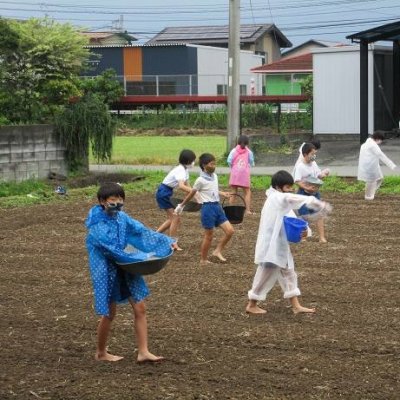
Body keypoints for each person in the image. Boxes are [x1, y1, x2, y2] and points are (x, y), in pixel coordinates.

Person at [86, 182, 175, 363]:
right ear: (103, 201)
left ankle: (143, 352)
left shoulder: (121, 217)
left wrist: (167, 241)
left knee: (140, 308)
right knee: (110, 314)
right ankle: (101, 352)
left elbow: (140, 231)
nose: (118, 202)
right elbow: (111, 249)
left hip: (127, 265)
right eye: (113, 199)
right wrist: (142, 256)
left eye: (121, 198)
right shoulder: (97, 225)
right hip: (108, 269)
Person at [246, 170, 331, 315]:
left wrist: (306, 230)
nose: (290, 190)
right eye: (287, 187)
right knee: (266, 274)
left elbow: (291, 216)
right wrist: (314, 202)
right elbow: (290, 199)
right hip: (271, 246)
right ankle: (252, 304)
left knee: (289, 273)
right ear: (279, 187)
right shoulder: (276, 198)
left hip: (278, 244)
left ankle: (296, 305)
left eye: (291, 187)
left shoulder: (279, 200)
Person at [175, 153, 234, 265]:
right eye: (212, 163)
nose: (214, 165)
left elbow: (213, 190)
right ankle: (203, 259)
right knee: (209, 235)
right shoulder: (200, 180)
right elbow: (191, 194)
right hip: (207, 208)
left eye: (214, 163)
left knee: (230, 231)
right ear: (204, 165)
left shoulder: (215, 176)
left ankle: (217, 251)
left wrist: (222, 193)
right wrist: (181, 205)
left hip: (217, 207)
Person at [156, 149, 197, 250]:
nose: (194, 162)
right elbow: (182, 186)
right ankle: (172, 243)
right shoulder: (180, 170)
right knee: (175, 218)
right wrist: (196, 192)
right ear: (188, 161)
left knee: (173, 218)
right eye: (193, 160)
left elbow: (189, 187)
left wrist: (198, 198)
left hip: (166, 192)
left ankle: (155, 235)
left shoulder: (185, 170)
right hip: (164, 192)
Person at [293, 142, 330, 243]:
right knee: (303, 216)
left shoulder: (313, 164)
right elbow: (297, 181)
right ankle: (304, 237)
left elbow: (318, 175)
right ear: (305, 154)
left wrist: (324, 174)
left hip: (315, 193)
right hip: (303, 194)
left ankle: (321, 237)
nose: (314, 156)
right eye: (312, 154)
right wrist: (306, 187)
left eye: (315, 154)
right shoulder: (300, 166)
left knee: (319, 214)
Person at [357, 131, 397, 200]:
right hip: (370, 167)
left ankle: (371, 192)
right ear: (377, 138)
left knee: (379, 178)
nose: (381, 142)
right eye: (381, 140)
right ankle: (368, 196)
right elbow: (381, 155)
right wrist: (391, 165)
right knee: (371, 181)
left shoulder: (366, 144)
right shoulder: (373, 145)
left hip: (370, 165)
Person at [227, 134, 255, 215]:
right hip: (244, 174)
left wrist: (233, 167)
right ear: (247, 143)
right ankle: (247, 210)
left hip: (235, 173)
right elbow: (251, 162)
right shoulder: (249, 152)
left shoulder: (233, 151)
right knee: (247, 192)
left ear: (238, 142)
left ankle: (230, 209)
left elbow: (229, 161)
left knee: (233, 191)